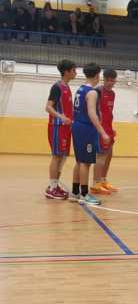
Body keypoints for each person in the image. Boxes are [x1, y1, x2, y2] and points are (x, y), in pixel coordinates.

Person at [70, 63, 110, 205]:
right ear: (97, 75)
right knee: (85, 163)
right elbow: (92, 114)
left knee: (79, 161)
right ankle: (84, 194)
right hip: (86, 128)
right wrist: (103, 132)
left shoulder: (80, 89)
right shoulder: (92, 92)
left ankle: (75, 193)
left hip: (77, 126)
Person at [44, 58, 76, 200]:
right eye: (74, 70)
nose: (76, 73)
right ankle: (51, 188)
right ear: (66, 72)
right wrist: (61, 117)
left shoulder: (67, 87)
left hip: (66, 128)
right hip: (57, 127)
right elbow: (48, 107)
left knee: (63, 157)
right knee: (56, 156)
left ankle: (55, 185)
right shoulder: (57, 87)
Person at [91, 68, 118, 196]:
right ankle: (96, 184)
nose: (110, 83)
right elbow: (92, 111)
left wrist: (111, 128)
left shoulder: (112, 94)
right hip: (100, 128)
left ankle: (103, 180)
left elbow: (108, 112)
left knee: (109, 154)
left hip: (109, 127)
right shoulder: (97, 92)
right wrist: (99, 128)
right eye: (108, 80)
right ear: (104, 79)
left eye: (112, 81)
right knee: (101, 156)